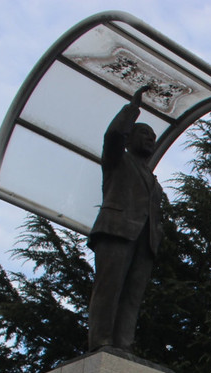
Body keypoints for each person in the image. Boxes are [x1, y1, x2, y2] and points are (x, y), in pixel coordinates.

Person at [87, 85, 164, 352]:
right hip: (117, 231)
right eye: (144, 133)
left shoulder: (153, 180)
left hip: (145, 242)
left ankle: (123, 344)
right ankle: (101, 342)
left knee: (132, 297)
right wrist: (133, 108)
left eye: (153, 136)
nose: (150, 139)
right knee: (109, 289)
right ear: (130, 139)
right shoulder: (117, 161)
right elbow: (112, 135)